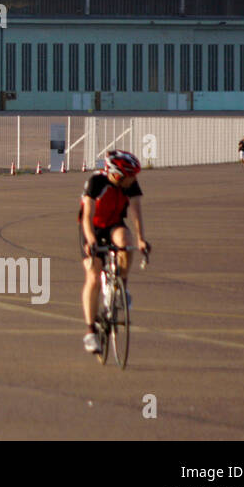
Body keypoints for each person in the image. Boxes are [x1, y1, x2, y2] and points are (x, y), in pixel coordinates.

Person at [78, 150, 150, 355]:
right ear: (118, 175)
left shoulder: (131, 184)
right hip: (92, 228)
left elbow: (136, 212)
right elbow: (87, 215)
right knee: (93, 274)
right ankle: (90, 331)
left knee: (125, 243)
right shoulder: (96, 183)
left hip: (114, 224)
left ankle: (121, 287)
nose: (134, 180)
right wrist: (91, 240)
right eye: (131, 176)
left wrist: (141, 239)